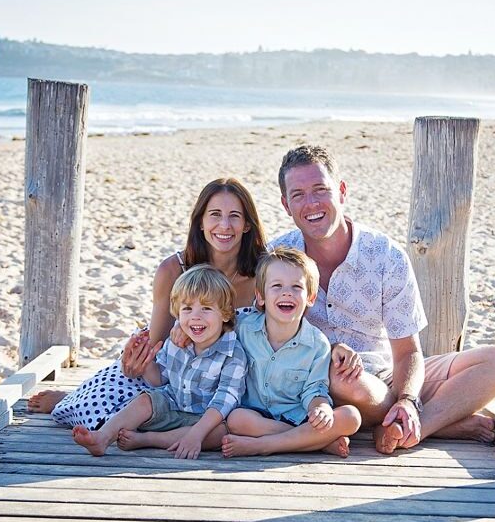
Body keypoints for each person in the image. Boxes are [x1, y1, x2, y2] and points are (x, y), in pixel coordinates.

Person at [271, 145, 495, 454]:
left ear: (342, 191)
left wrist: (408, 399)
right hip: (322, 387)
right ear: (285, 204)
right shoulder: (276, 258)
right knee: (341, 379)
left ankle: (414, 426)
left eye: (321, 189)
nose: (311, 203)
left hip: (388, 376)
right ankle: (433, 422)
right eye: (298, 194)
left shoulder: (385, 255)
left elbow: (407, 352)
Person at [27, 177, 265, 430]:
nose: (224, 225)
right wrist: (141, 359)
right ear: (201, 222)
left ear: (248, 225)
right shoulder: (174, 269)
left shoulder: (264, 272)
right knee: (100, 416)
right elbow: (157, 342)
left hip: (233, 378)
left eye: (235, 216)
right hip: (175, 376)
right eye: (215, 214)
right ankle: (72, 397)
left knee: (235, 424)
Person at [72, 265, 247, 460]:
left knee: (222, 433)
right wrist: (145, 361)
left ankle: (149, 439)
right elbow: (159, 380)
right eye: (187, 308)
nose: (195, 316)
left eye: (206, 308)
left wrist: (196, 433)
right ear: (177, 313)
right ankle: (102, 437)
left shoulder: (233, 354)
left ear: (224, 314)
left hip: (206, 419)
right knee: (145, 400)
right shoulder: (177, 342)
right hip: (173, 406)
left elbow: (225, 400)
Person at [218, 247, 361, 458]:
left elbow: (316, 390)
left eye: (296, 287)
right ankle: (316, 441)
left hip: (298, 416)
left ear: (310, 297)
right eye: (276, 286)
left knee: (351, 416)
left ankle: (263, 446)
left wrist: (320, 409)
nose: (287, 293)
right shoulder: (243, 328)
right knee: (236, 419)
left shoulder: (317, 344)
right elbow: (212, 329)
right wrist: (180, 331)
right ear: (260, 296)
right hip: (255, 417)